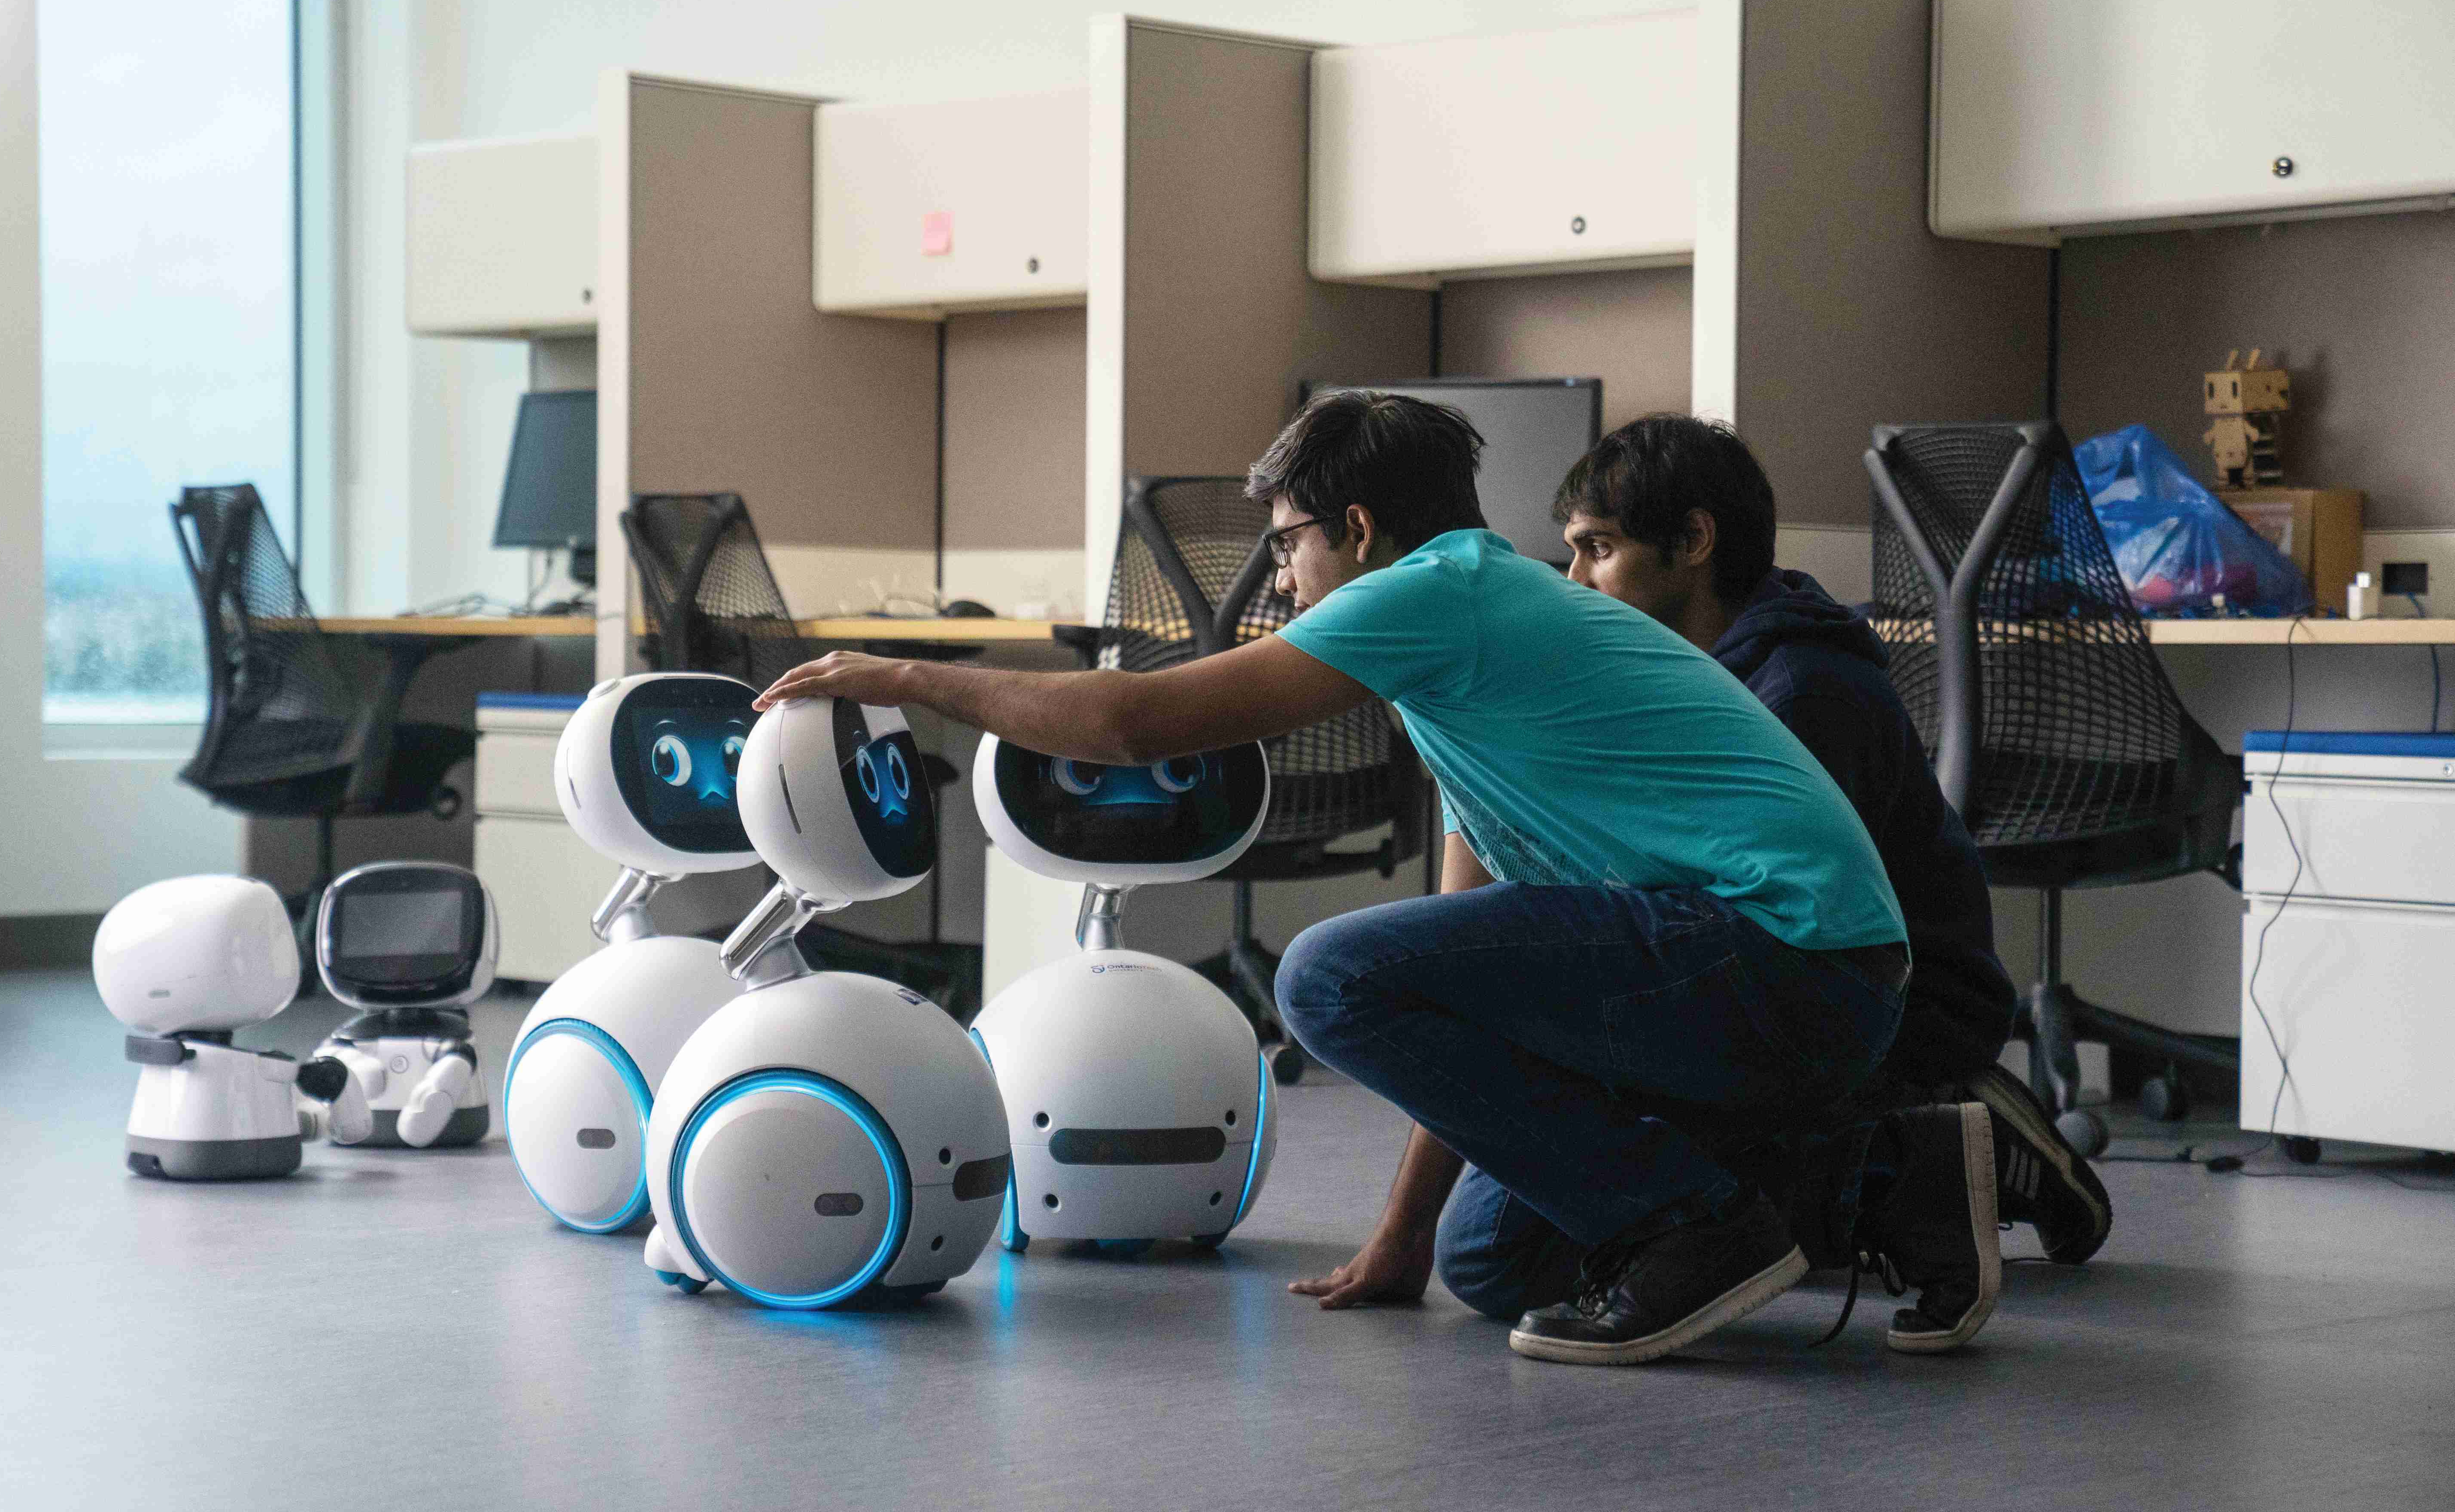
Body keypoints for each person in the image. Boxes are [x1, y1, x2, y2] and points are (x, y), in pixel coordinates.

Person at [759, 390, 1986, 1366]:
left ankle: (1704, 1228)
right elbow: (1469, 949)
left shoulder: (1432, 595)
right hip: (1778, 983)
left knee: (1325, 970)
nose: (1280, 580)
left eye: (1286, 543)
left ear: (1355, 531)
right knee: (1496, 1263)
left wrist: (913, 679)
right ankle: (1889, 1176)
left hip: (1785, 961)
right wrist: (1401, 1239)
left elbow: (1138, 725)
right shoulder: (1469, 656)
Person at [1425, 414, 2103, 1342]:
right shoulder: (1676, 675)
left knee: (1503, 1253)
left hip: (1877, 1009)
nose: (1574, 580)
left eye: (1599, 549)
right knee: (1482, 1255)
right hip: (1737, 984)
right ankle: (1880, 1169)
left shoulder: (1803, 694)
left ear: (1692, 543)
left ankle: (1925, 1149)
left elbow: (1767, 930)